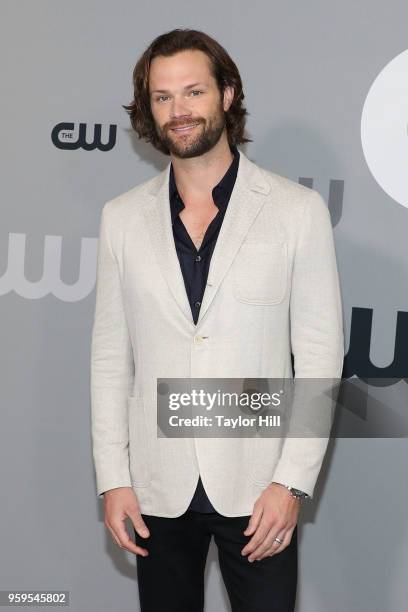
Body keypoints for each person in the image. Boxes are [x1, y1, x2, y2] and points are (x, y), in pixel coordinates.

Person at [90, 28, 344, 612]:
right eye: (162, 97)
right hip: (158, 485)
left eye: (194, 91)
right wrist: (114, 477)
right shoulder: (121, 219)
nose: (179, 111)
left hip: (259, 490)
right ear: (148, 109)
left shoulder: (296, 213)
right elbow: (110, 358)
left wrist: (291, 483)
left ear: (227, 95)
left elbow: (321, 357)